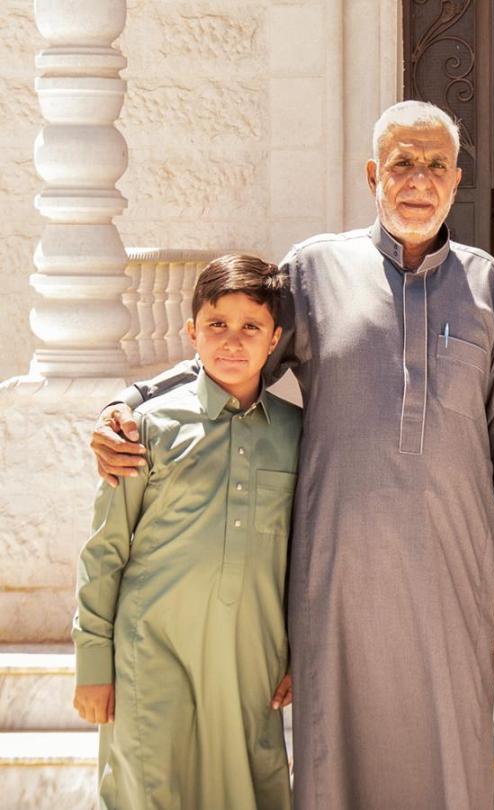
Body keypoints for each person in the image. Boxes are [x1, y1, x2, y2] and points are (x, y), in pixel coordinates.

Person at [89, 101, 494, 809]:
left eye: (435, 165)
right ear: (371, 175)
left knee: (450, 733)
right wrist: (135, 398)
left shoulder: (488, 286)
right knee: (337, 737)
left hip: (453, 556)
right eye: (401, 164)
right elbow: (237, 357)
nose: (418, 180)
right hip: (337, 560)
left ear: (457, 179)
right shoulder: (316, 269)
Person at [73, 255, 300, 809]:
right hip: (150, 654)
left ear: (275, 342)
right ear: (191, 332)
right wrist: (93, 662)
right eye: (217, 325)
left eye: (251, 327)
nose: (232, 341)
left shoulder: (298, 435)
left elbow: (308, 557)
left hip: (250, 661)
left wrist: (300, 653)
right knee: (149, 789)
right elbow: (105, 550)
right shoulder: (145, 428)